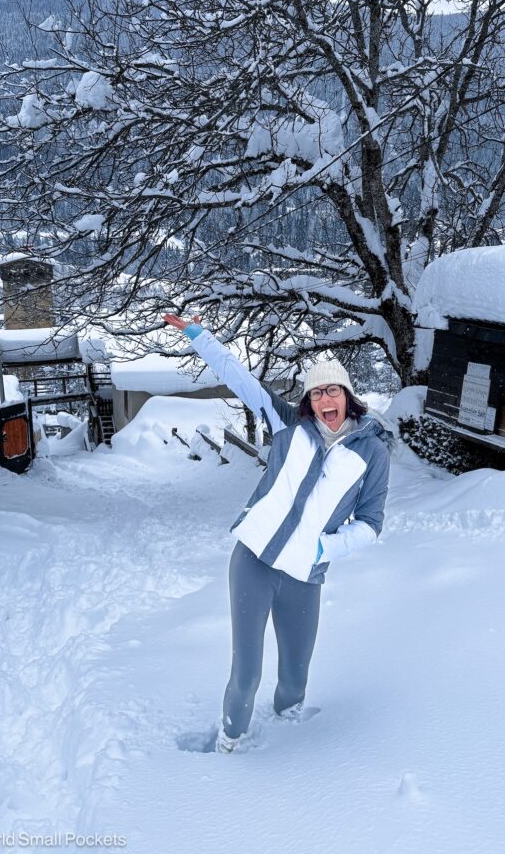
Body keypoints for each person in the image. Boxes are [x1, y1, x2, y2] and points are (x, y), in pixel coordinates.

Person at [163, 313, 391, 753]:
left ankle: (293, 740)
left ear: (348, 397)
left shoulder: (372, 453)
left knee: (296, 674)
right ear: (309, 401)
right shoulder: (290, 429)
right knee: (247, 672)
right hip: (254, 561)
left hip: (304, 576)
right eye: (318, 391)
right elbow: (239, 377)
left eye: (334, 390)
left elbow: (371, 524)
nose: (327, 398)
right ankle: (230, 743)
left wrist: (324, 546)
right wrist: (198, 334)